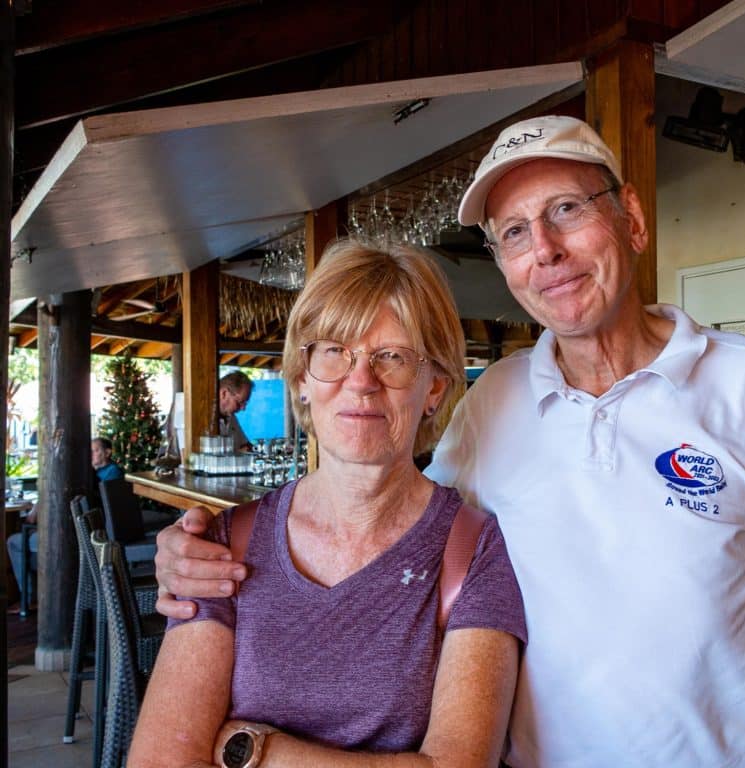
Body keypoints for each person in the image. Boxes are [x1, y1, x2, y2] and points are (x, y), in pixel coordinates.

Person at [154, 116, 745, 767]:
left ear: (630, 218)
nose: (547, 250)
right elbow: (382, 515)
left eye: (567, 209)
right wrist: (196, 549)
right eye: (514, 232)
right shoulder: (493, 405)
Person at [130, 239, 525, 768]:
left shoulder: (472, 550)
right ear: (302, 379)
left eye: (392, 357)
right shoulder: (224, 547)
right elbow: (160, 760)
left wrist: (258, 753)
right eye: (335, 352)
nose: (360, 383)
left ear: (434, 388)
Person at [7, 436, 124, 613]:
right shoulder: (89, 475)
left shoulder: (105, 474)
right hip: (87, 534)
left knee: (15, 541)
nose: (91, 454)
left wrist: (38, 506)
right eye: (89, 451)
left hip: (79, 537)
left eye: (95, 450)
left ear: (107, 453)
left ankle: (30, 597)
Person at [218, 370, 253, 452]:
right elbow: (188, 460)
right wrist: (238, 453)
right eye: (239, 402)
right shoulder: (199, 417)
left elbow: (246, 445)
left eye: (245, 403)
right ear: (224, 393)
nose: (243, 408)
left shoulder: (231, 417)